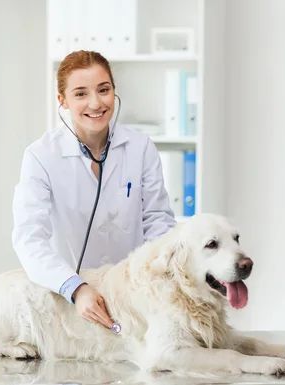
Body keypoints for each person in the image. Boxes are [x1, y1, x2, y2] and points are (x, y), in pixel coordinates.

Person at [11, 50, 176, 329]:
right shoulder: (41, 156)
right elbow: (29, 239)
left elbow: (159, 223)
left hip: (135, 295)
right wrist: (74, 287)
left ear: (114, 92)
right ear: (62, 101)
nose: (95, 103)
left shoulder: (140, 148)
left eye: (104, 90)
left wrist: (160, 278)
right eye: (80, 94)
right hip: (70, 300)